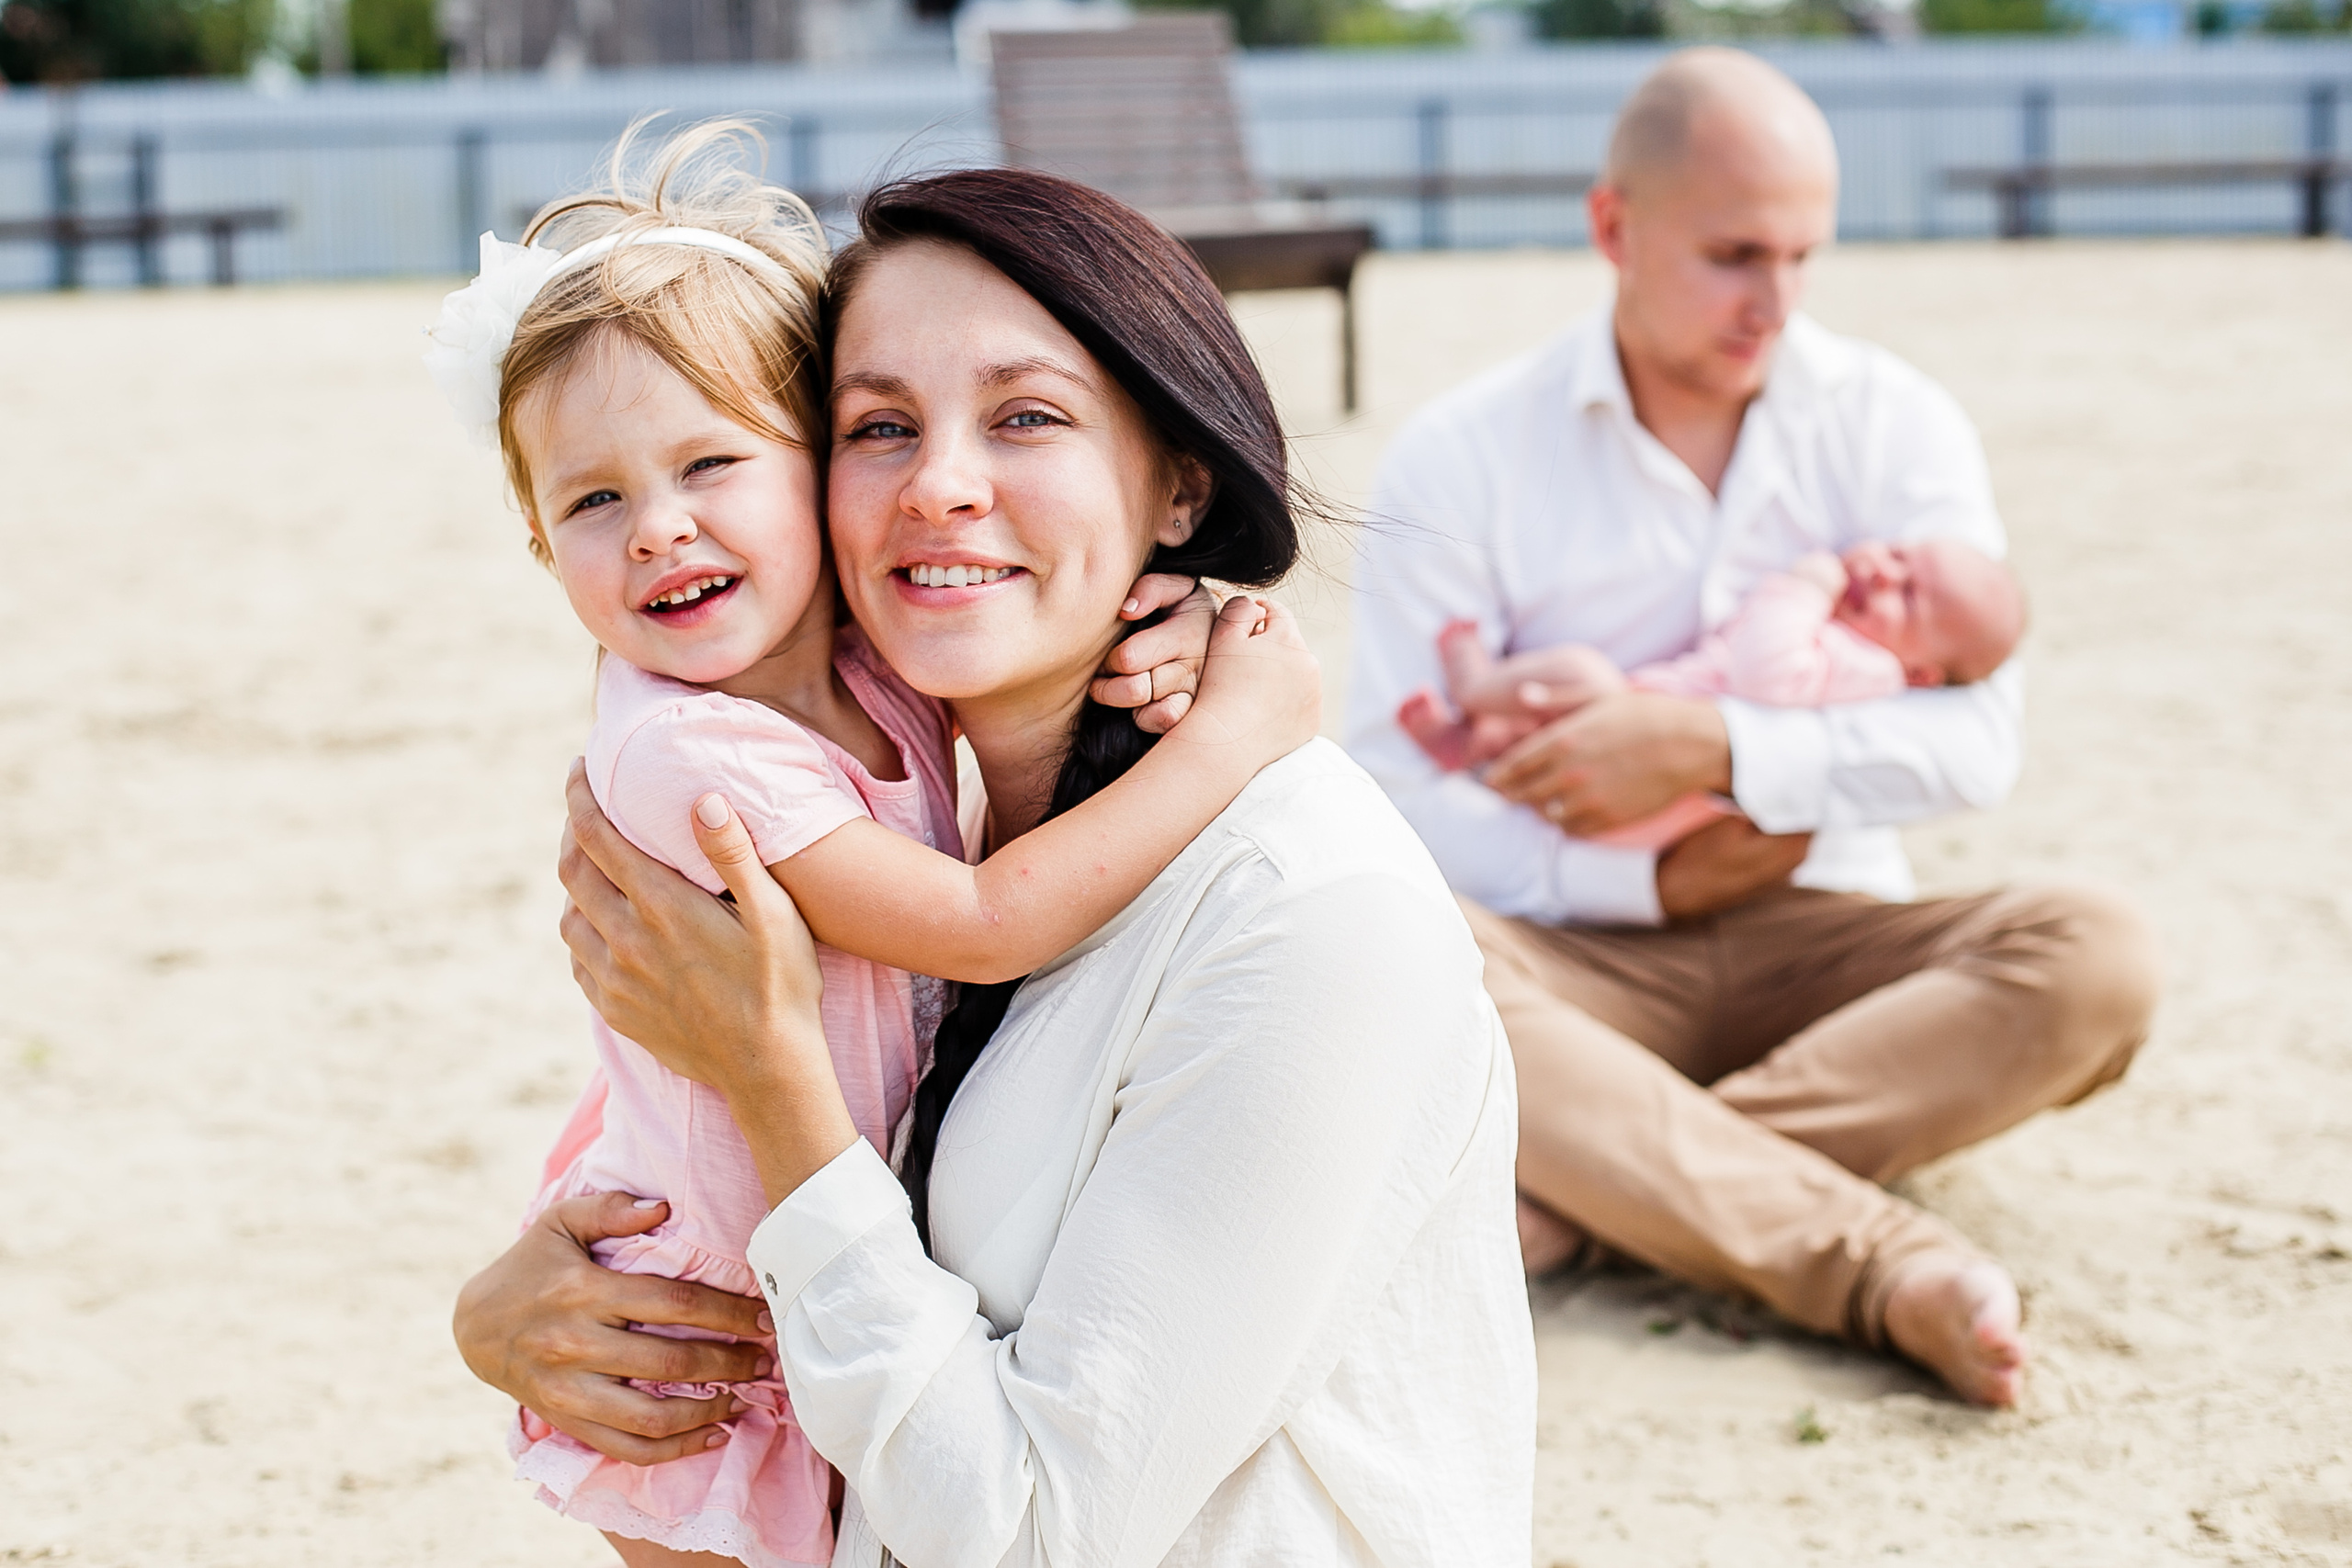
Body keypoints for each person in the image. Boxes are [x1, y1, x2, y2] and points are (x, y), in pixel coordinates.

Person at [454, 166, 1535, 1567]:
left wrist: (780, 1095)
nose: (939, 485)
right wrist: (513, 1299)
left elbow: (1027, 1536)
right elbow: (686, 1073)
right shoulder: (873, 788)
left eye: (1026, 417)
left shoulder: (1305, 917)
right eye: (879, 426)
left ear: (1178, 485)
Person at [1345, 48, 2158, 1408]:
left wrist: (1707, 747)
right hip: (1559, 961)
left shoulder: (1893, 423)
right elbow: (1393, 790)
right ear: (1614, 225)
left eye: (1800, 256)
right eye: (1734, 254)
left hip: (1826, 940)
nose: (1773, 301)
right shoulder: (1463, 452)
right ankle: (1866, 1256)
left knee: (2100, 955)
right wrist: (1636, 874)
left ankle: (1608, 1188)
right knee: (1384, 949)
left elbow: (1978, 746)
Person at [1396, 539, 2027, 848]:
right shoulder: (1858, 644)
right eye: (1899, 554)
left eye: (1908, 596)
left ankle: (1477, 689)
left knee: (1584, 675)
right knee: (1558, 715)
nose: (1883, 572)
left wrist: (1802, 588)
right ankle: (1471, 743)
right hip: (1654, 733)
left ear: (1919, 673)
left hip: (1658, 777)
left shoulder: (1865, 666)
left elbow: (1766, 673)